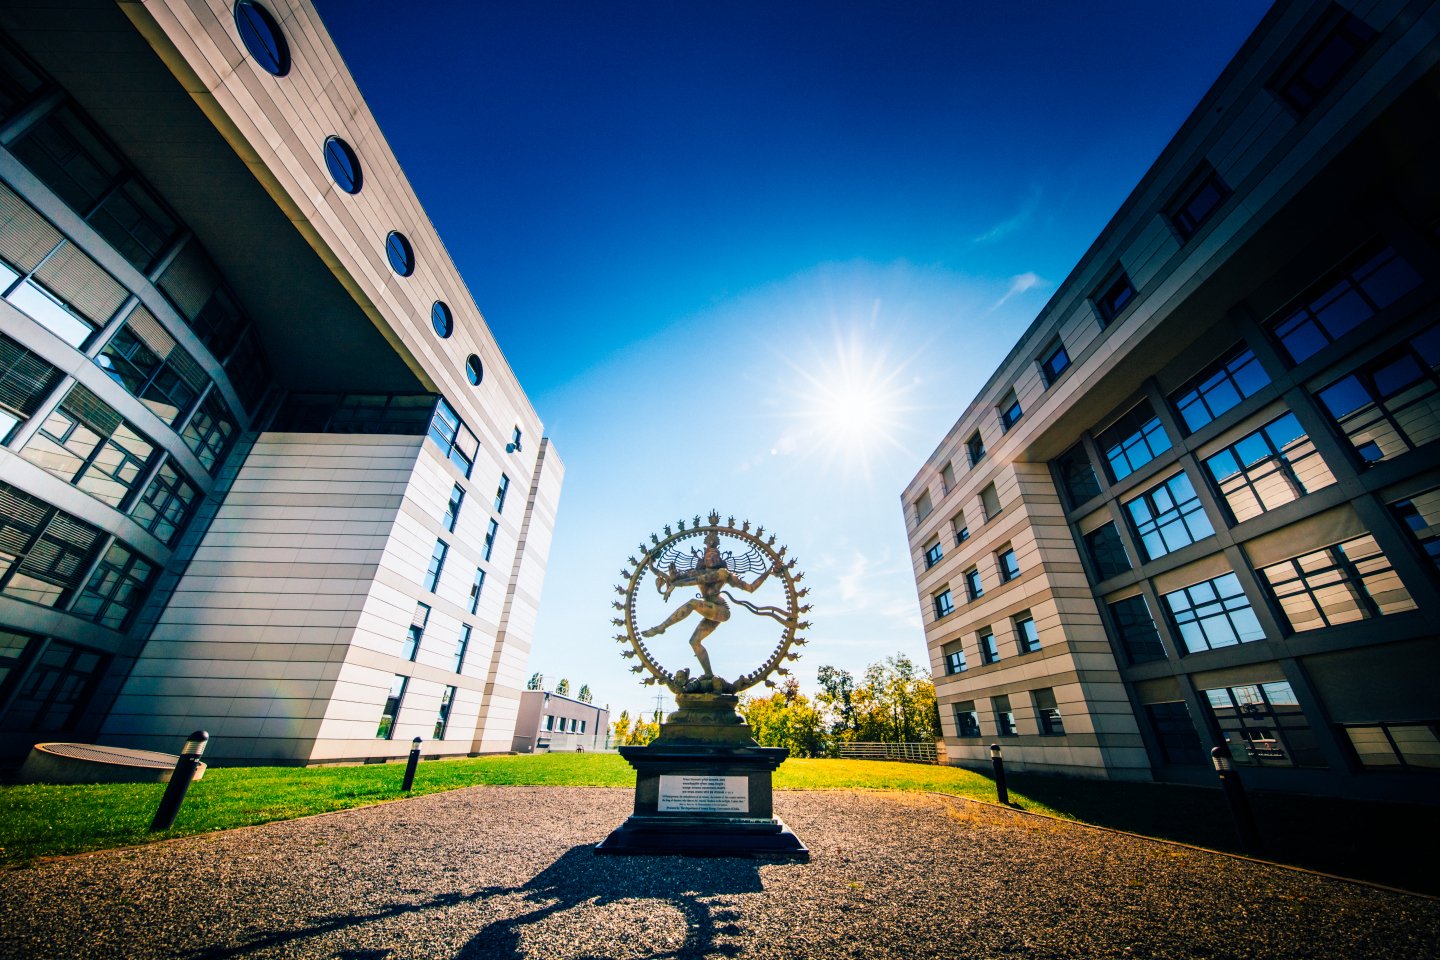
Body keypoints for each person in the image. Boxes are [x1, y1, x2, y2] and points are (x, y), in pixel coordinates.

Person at [642, 530, 780, 678]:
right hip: (709, 611)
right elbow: (675, 579)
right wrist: (652, 567)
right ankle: (709, 674)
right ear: (704, 558)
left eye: (715, 555)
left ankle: (662, 627)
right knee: (694, 641)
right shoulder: (697, 572)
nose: (712, 558)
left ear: (719, 558)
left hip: (721, 610)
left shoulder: (722, 573)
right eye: (709, 555)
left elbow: (750, 588)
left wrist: (768, 572)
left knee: (693, 603)